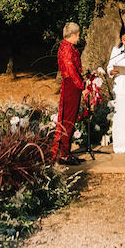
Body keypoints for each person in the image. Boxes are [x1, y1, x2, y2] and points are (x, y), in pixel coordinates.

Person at [52, 22, 85, 164]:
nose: (78, 38)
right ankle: (64, 154)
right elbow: (71, 70)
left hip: (71, 85)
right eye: (78, 35)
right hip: (71, 85)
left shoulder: (67, 47)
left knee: (70, 119)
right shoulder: (67, 49)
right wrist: (81, 84)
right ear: (72, 35)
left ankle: (67, 151)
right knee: (68, 120)